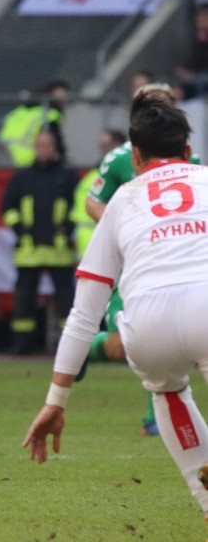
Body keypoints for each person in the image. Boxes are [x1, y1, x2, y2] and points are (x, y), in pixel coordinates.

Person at [23, 96, 208, 533]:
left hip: (146, 324)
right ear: (188, 151)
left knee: (166, 391)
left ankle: (205, 498)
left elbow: (84, 311)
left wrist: (56, 401)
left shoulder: (123, 199)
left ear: (137, 157)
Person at [82, 83, 192, 435]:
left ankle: (154, 420)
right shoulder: (119, 160)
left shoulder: (191, 163)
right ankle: (87, 346)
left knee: (172, 343)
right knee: (123, 345)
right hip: (134, 266)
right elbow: (92, 201)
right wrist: (122, 229)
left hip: (177, 266)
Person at [1, 128, 78, 355]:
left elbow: (80, 205)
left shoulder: (66, 176)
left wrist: (68, 227)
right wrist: (19, 229)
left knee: (66, 298)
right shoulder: (23, 177)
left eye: (47, 145)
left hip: (59, 248)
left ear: (54, 148)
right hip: (29, 249)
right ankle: (23, 344)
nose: (43, 149)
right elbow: (7, 207)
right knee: (24, 298)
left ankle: (69, 347)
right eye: (39, 145)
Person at [70, 129, 126, 260]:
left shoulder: (121, 176)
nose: (104, 149)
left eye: (108, 145)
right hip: (86, 241)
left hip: (107, 240)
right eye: (102, 145)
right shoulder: (93, 174)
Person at [0, 80, 69, 167]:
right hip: (30, 162)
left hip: (4, 161)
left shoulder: (19, 111)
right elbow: (57, 146)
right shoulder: (50, 115)